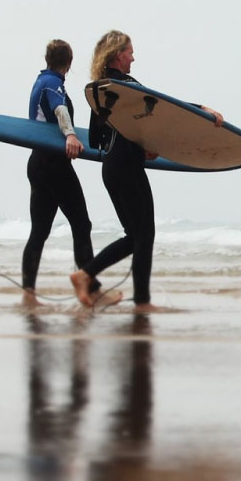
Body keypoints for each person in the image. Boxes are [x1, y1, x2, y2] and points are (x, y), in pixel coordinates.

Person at [70, 31, 223, 311]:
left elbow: (99, 137)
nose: (133, 57)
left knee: (137, 234)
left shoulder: (102, 89)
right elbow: (162, 109)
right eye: (130, 52)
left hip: (115, 167)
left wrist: (141, 147)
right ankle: (131, 297)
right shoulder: (124, 86)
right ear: (119, 54)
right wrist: (201, 109)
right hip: (125, 168)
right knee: (142, 234)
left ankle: (92, 277)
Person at [22, 40, 115, 306]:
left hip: (37, 162)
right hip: (54, 164)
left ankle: (28, 294)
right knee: (81, 224)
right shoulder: (53, 84)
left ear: (47, 58)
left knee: (39, 231)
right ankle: (91, 290)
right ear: (70, 63)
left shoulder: (40, 81)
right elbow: (59, 109)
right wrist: (71, 135)